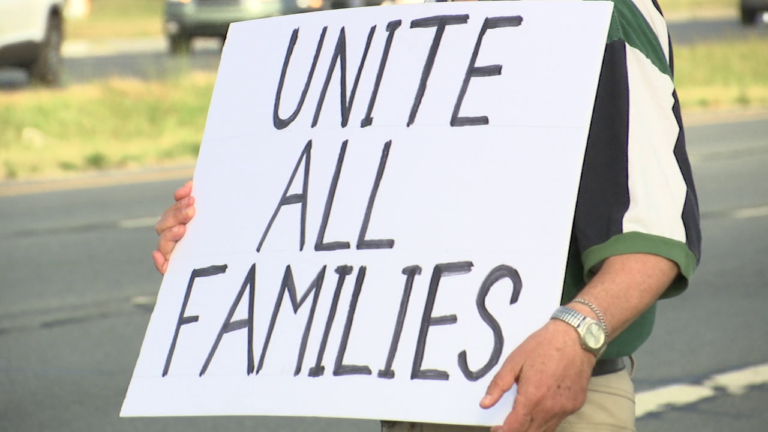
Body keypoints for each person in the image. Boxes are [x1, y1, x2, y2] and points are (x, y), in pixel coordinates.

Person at [153, 0, 701, 430]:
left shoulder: (604, 14)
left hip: (547, 405)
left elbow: (652, 235)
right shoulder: (410, 20)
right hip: (414, 407)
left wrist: (577, 334)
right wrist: (215, 235)